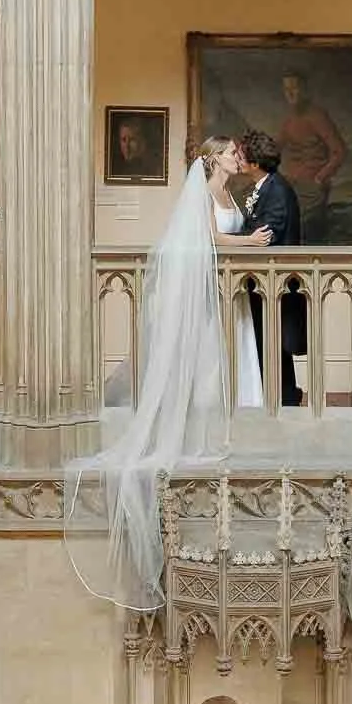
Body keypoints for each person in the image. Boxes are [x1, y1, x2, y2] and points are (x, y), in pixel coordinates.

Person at [64, 136, 270, 610]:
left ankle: (242, 403)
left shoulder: (232, 195)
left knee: (232, 354)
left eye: (238, 152)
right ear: (211, 157)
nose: (236, 156)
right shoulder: (200, 191)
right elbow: (207, 238)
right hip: (205, 288)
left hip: (229, 291)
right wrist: (248, 241)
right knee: (200, 359)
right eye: (230, 151)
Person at [237, 129, 307, 406]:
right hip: (261, 285)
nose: (238, 160)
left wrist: (235, 242)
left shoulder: (277, 190)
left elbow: (268, 237)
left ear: (255, 163)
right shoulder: (266, 186)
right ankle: (280, 397)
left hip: (274, 285)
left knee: (274, 344)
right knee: (269, 344)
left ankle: (286, 399)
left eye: (241, 156)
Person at [273, 70, 347, 243]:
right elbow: (276, 148)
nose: (290, 93)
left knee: (307, 235)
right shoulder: (289, 120)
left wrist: (320, 178)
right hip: (294, 185)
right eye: (286, 89)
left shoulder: (317, 116)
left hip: (312, 190)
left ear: (304, 90)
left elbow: (339, 151)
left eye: (294, 88)